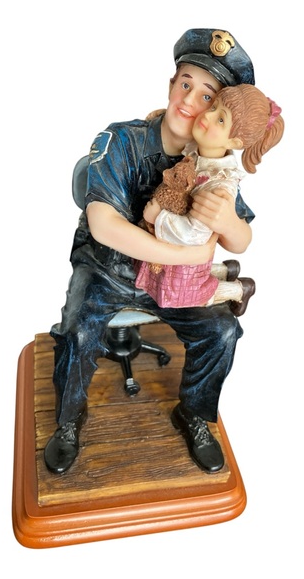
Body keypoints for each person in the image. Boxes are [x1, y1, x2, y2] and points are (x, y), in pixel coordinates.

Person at [45, 28, 256, 475]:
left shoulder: (212, 162)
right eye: (185, 84)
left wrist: (228, 223)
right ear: (171, 83)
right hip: (108, 270)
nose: (190, 100)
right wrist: (192, 256)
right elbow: (104, 225)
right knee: (79, 330)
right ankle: (69, 419)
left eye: (207, 96)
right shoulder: (121, 140)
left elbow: (240, 240)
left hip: (172, 284)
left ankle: (193, 413)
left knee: (221, 332)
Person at [135, 83, 284, 315]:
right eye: (213, 107)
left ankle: (238, 289)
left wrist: (158, 217)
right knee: (170, 273)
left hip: (185, 250)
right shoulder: (200, 151)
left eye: (221, 120)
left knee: (186, 294)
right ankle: (225, 270)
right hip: (178, 254)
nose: (208, 116)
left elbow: (194, 234)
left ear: (235, 143)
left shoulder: (218, 185)